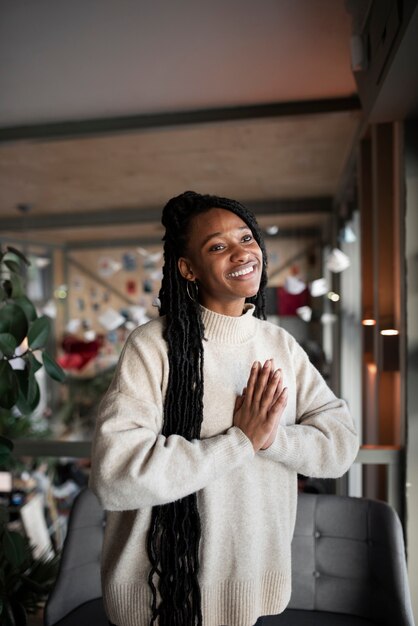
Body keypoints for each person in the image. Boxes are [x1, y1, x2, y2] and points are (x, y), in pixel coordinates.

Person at [89, 191, 359, 626]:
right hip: (160, 594)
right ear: (188, 268)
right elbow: (115, 474)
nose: (241, 252)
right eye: (218, 245)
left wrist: (270, 437)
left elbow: (340, 445)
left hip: (252, 584)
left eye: (247, 238)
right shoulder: (154, 346)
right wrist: (240, 442)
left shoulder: (280, 346)